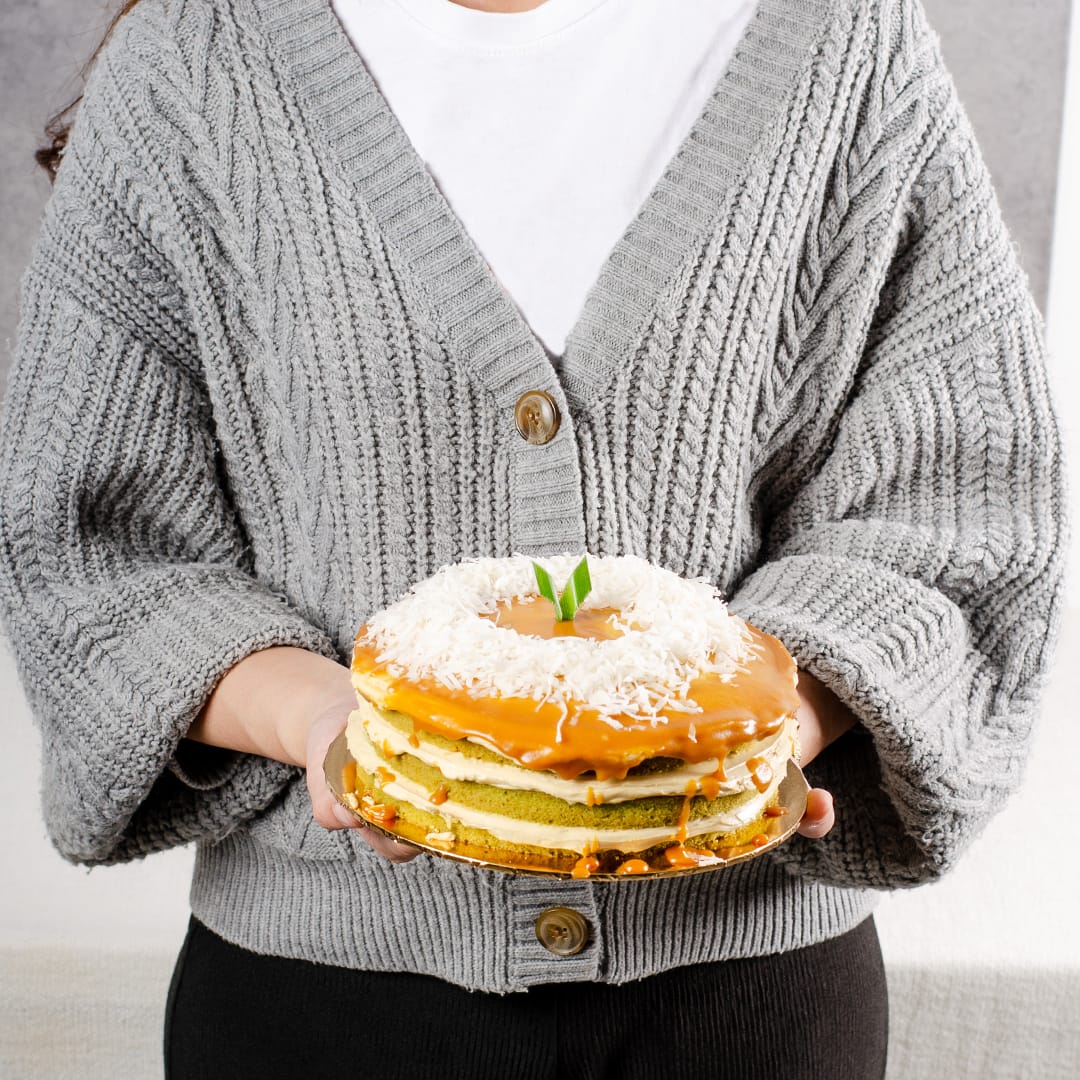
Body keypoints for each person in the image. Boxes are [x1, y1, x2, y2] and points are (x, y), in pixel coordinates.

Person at [0, 0, 1066, 1076]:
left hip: (747, 1009)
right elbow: (93, 551)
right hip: (319, 1009)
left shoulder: (844, 42)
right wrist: (329, 719)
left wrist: (734, 739)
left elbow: (961, 504)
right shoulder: (197, 60)